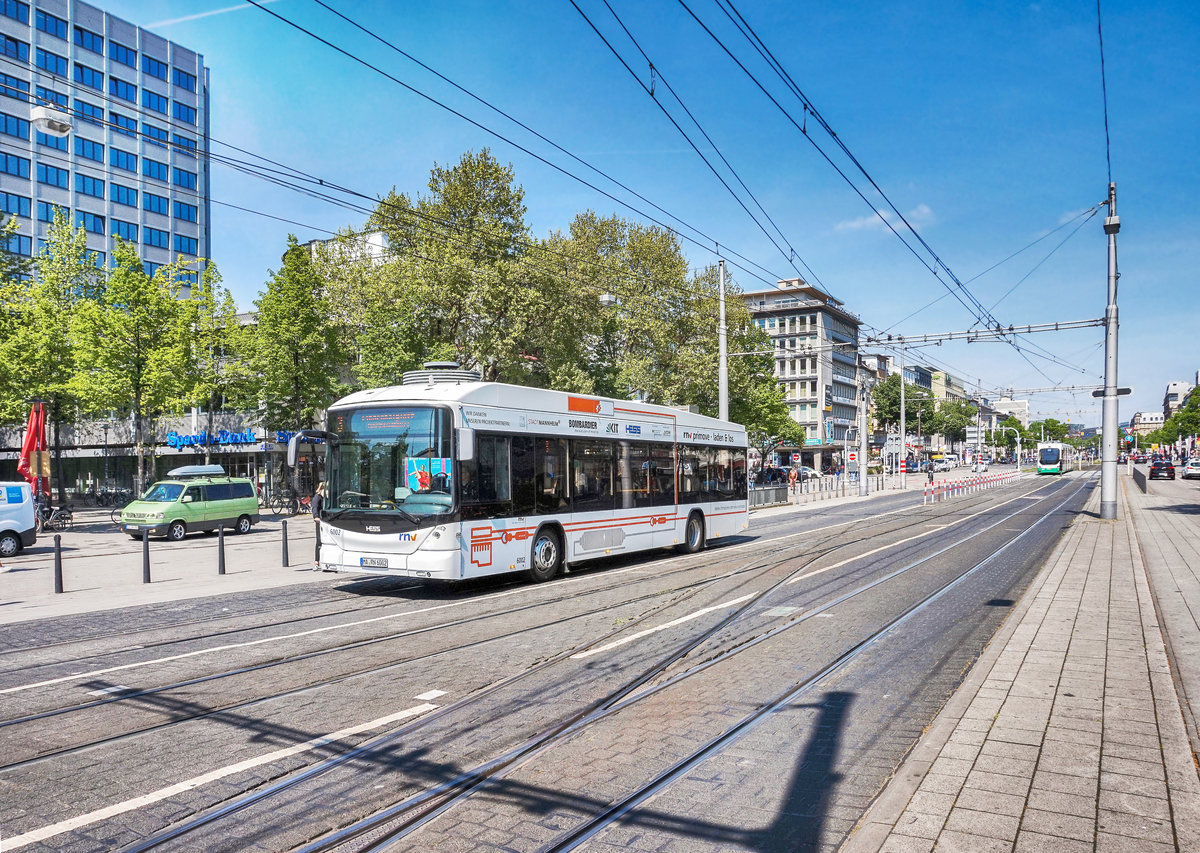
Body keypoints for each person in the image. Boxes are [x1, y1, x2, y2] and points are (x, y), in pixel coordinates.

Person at [311, 481, 325, 570]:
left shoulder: (324, 497)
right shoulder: (317, 497)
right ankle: (317, 562)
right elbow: (314, 507)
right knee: (319, 540)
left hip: (324, 520)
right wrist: (316, 516)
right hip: (319, 521)